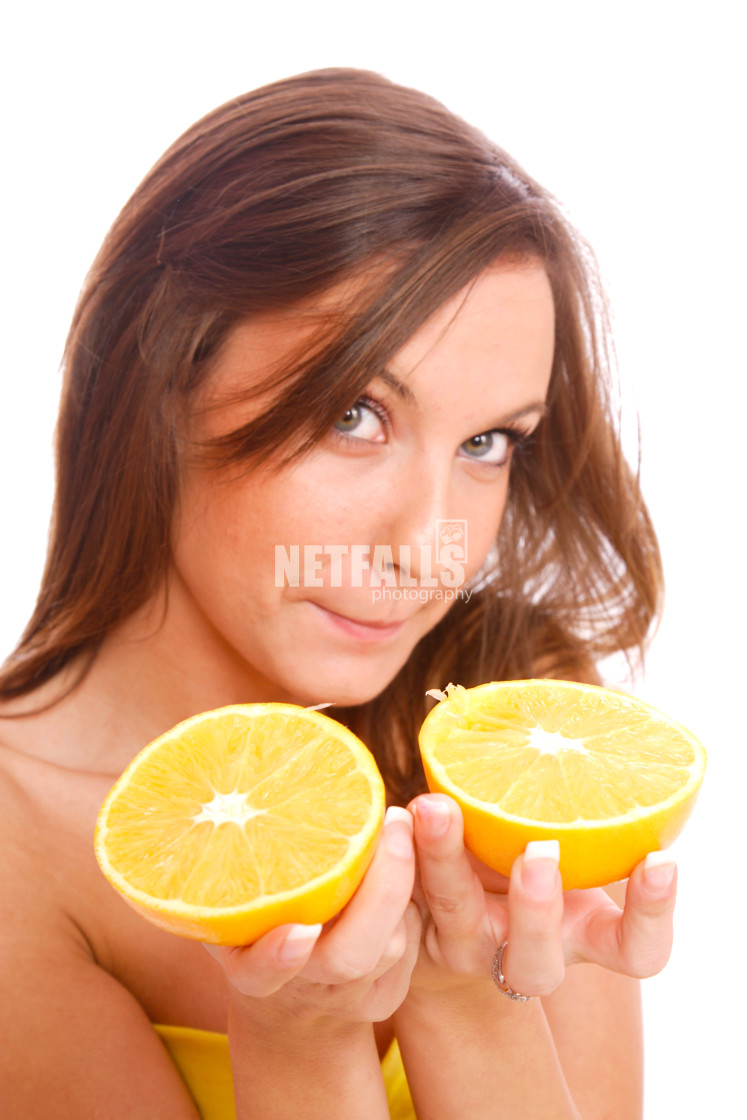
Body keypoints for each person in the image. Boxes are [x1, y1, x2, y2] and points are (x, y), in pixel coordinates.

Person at [0, 68, 675, 1119]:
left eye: (489, 442)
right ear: (160, 381)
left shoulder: (510, 715)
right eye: (356, 415)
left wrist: (465, 992)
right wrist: (301, 1039)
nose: (427, 548)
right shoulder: (17, 845)